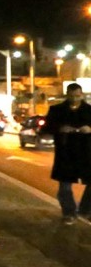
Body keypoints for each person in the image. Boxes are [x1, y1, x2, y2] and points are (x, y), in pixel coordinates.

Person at [42, 83, 91, 224]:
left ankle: (85, 210)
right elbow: (46, 128)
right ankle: (69, 212)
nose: (75, 99)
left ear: (81, 95)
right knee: (65, 185)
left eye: (77, 96)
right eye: (72, 96)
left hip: (86, 152)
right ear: (67, 95)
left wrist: (89, 129)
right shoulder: (56, 110)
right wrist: (61, 128)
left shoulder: (89, 110)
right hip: (66, 152)